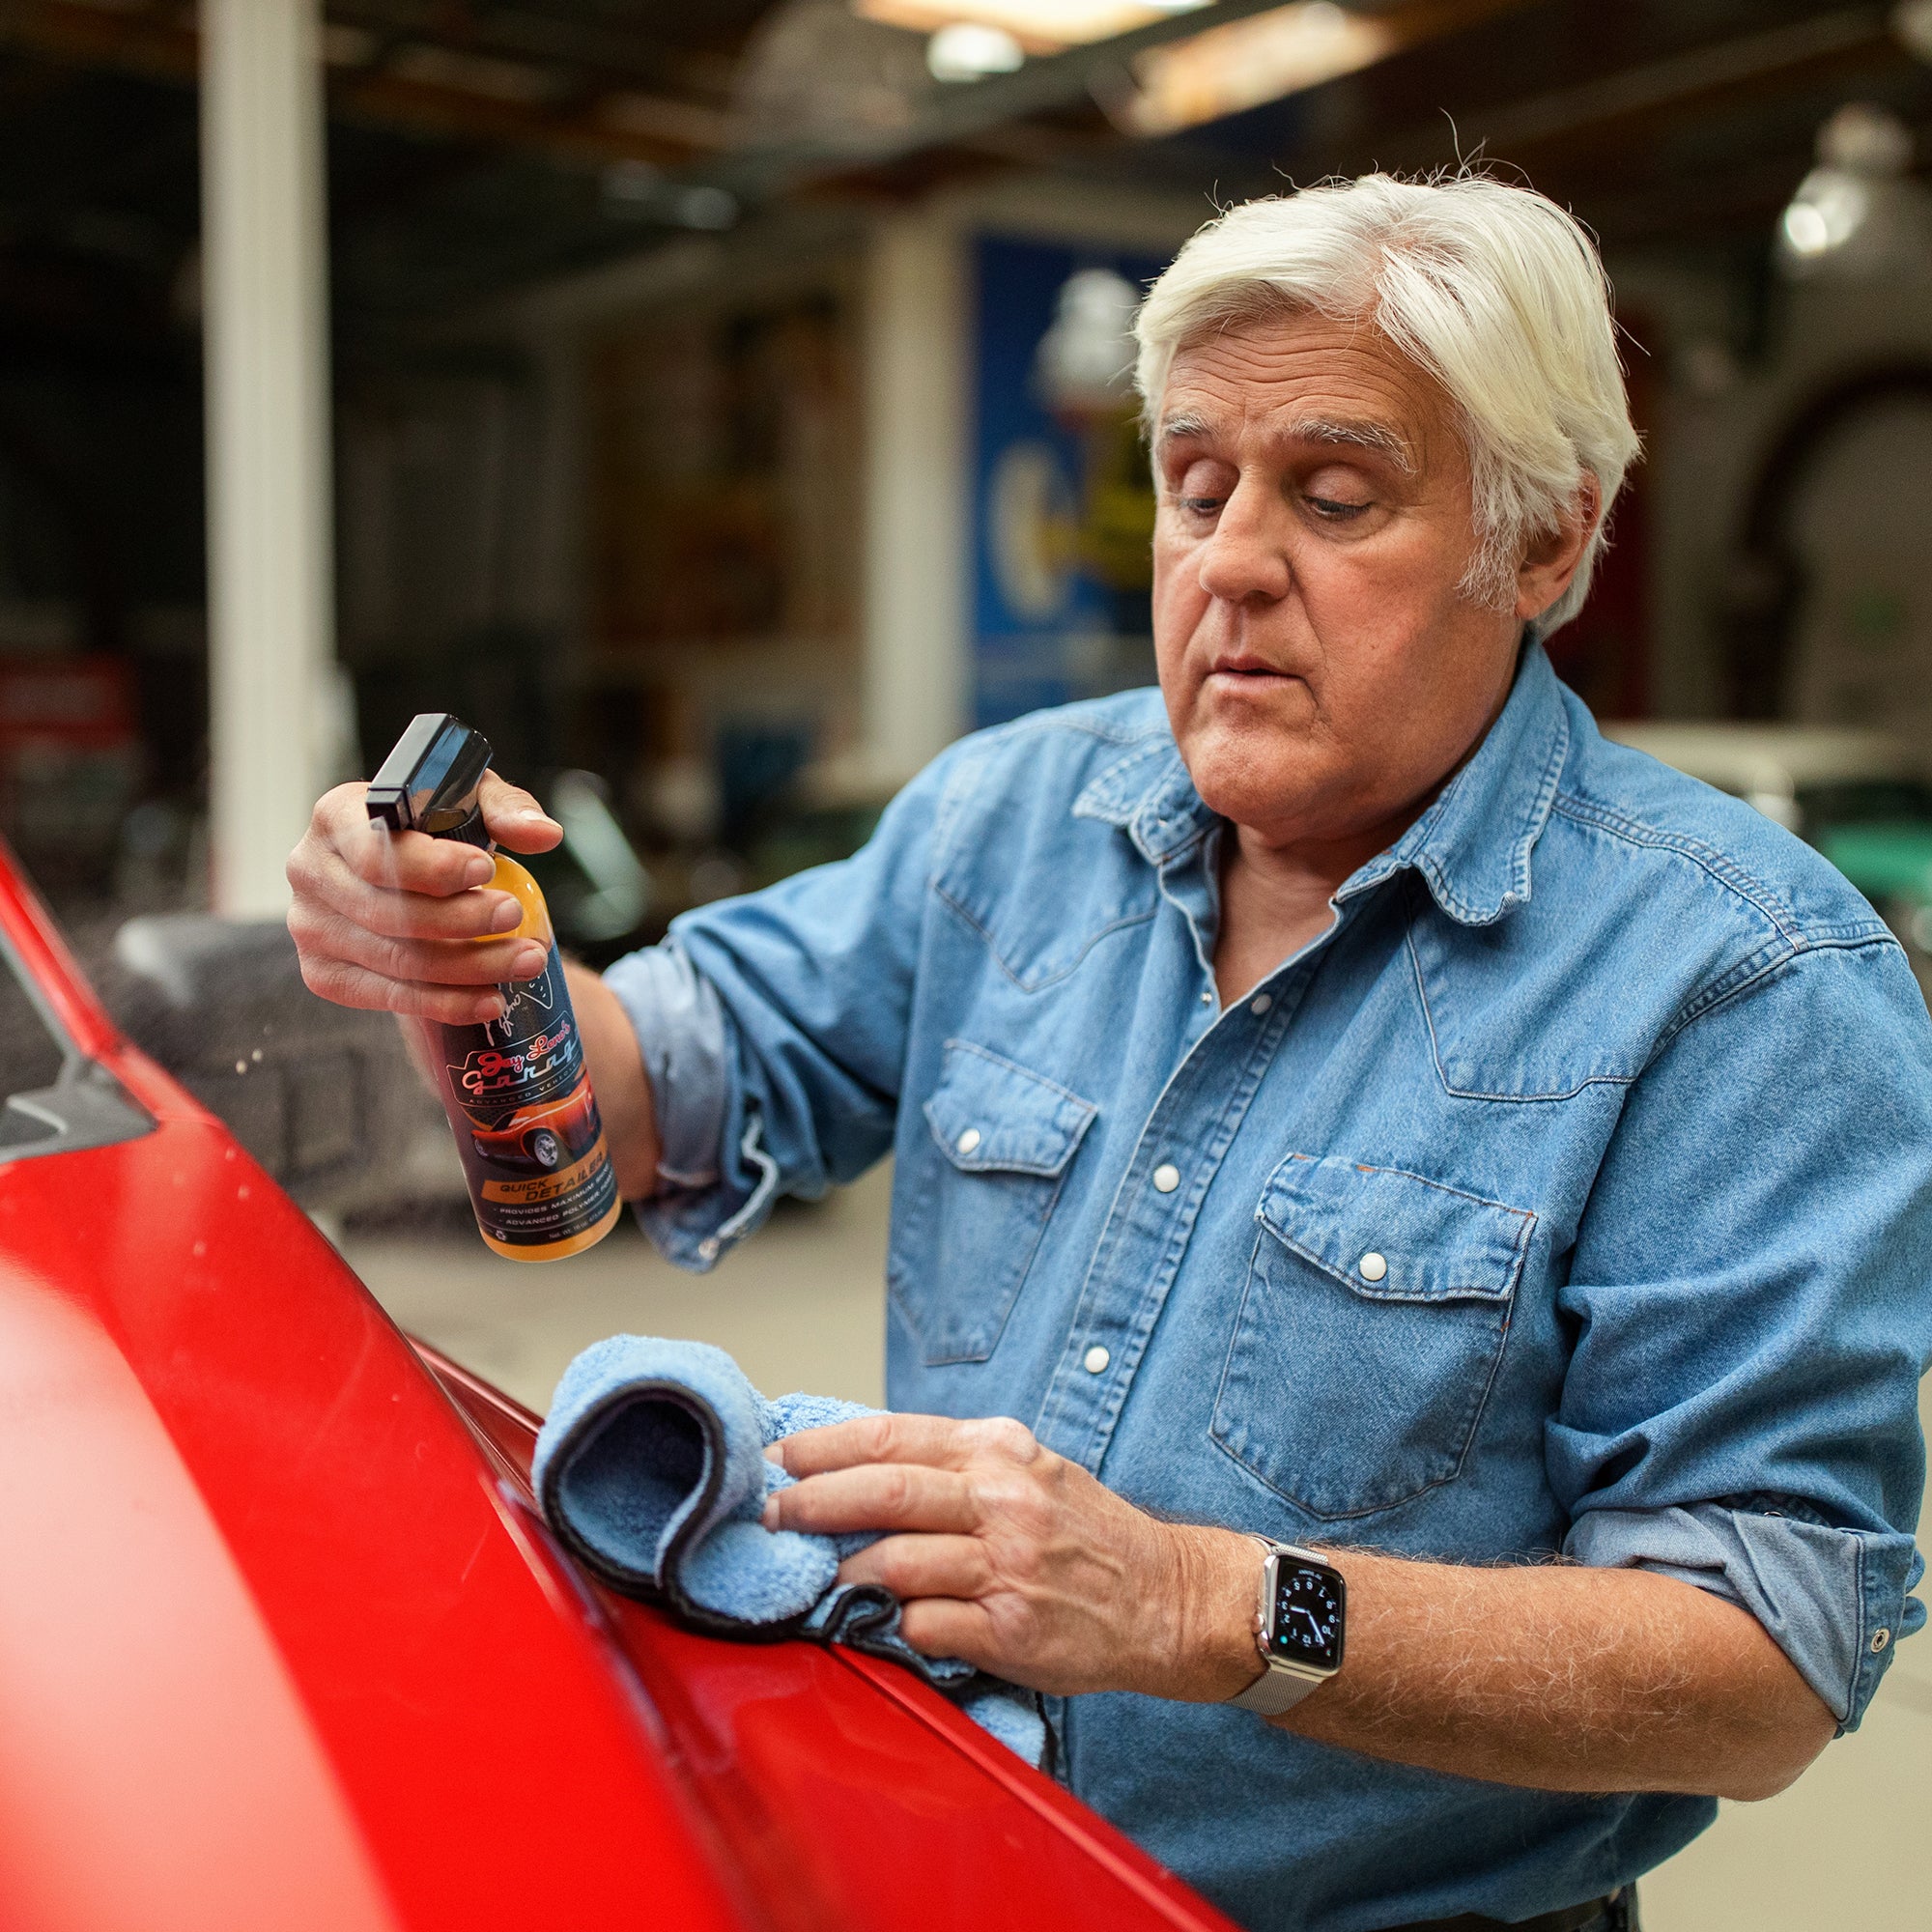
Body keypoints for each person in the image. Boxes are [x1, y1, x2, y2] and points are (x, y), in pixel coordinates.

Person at [286, 172, 1932, 1932]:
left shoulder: (1745, 981)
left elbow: (1757, 1658)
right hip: (948, 1853)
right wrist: (472, 962)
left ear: (1543, 540)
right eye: (1194, 484)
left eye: (1335, 493)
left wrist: (1195, 1606)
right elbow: (665, 1073)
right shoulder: (1016, 817)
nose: (1229, 563)